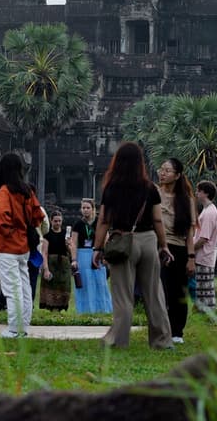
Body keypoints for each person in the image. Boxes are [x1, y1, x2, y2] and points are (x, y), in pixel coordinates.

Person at [92, 142, 173, 349]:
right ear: (140, 163)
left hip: (123, 241)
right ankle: (162, 340)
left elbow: (103, 220)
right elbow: (157, 220)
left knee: (123, 295)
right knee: (154, 293)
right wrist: (164, 246)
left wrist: (97, 248)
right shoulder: (150, 188)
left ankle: (119, 341)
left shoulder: (112, 188)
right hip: (148, 240)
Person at [0, 152, 45, 338]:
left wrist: (9, 233)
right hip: (24, 246)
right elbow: (39, 215)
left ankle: (14, 328)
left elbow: (0, 218)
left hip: (7, 246)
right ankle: (23, 327)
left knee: (12, 288)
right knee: (24, 287)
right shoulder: (27, 191)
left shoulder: (5, 191)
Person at [157, 158, 198, 343]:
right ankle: (161, 328)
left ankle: (177, 332)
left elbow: (189, 233)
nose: (162, 173)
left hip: (179, 248)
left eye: (167, 170)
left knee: (178, 292)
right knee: (159, 291)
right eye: (162, 169)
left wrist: (191, 257)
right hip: (157, 246)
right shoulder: (155, 193)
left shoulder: (186, 199)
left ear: (178, 175)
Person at [69, 197, 111, 314]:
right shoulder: (78, 224)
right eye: (83, 208)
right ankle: (85, 311)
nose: (85, 210)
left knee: (100, 281)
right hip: (82, 255)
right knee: (85, 283)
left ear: (93, 209)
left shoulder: (99, 222)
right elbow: (74, 243)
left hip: (97, 254)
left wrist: (105, 254)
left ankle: (103, 309)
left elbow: (106, 238)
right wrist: (74, 259)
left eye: (88, 208)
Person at [193, 180, 217, 311]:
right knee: (203, 288)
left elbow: (204, 238)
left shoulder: (209, 213)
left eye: (199, 190)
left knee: (205, 290)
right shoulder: (207, 210)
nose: (196, 193)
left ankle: (209, 313)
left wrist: (190, 250)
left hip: (204, 254)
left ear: (206, 193)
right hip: (204, 255)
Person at [38, 210, 72, 311]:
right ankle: (52, 310)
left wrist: (68, 245)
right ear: (51, 221)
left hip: (63, 265)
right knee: (50, 288)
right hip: (51, 264)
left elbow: (70, 252)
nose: (57, 223)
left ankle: (61, 309)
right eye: (55, 221)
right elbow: (44, 253)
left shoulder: (66, 235)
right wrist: (46, 269)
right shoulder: (47, 236)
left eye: (59, 221)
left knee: (64, 288)